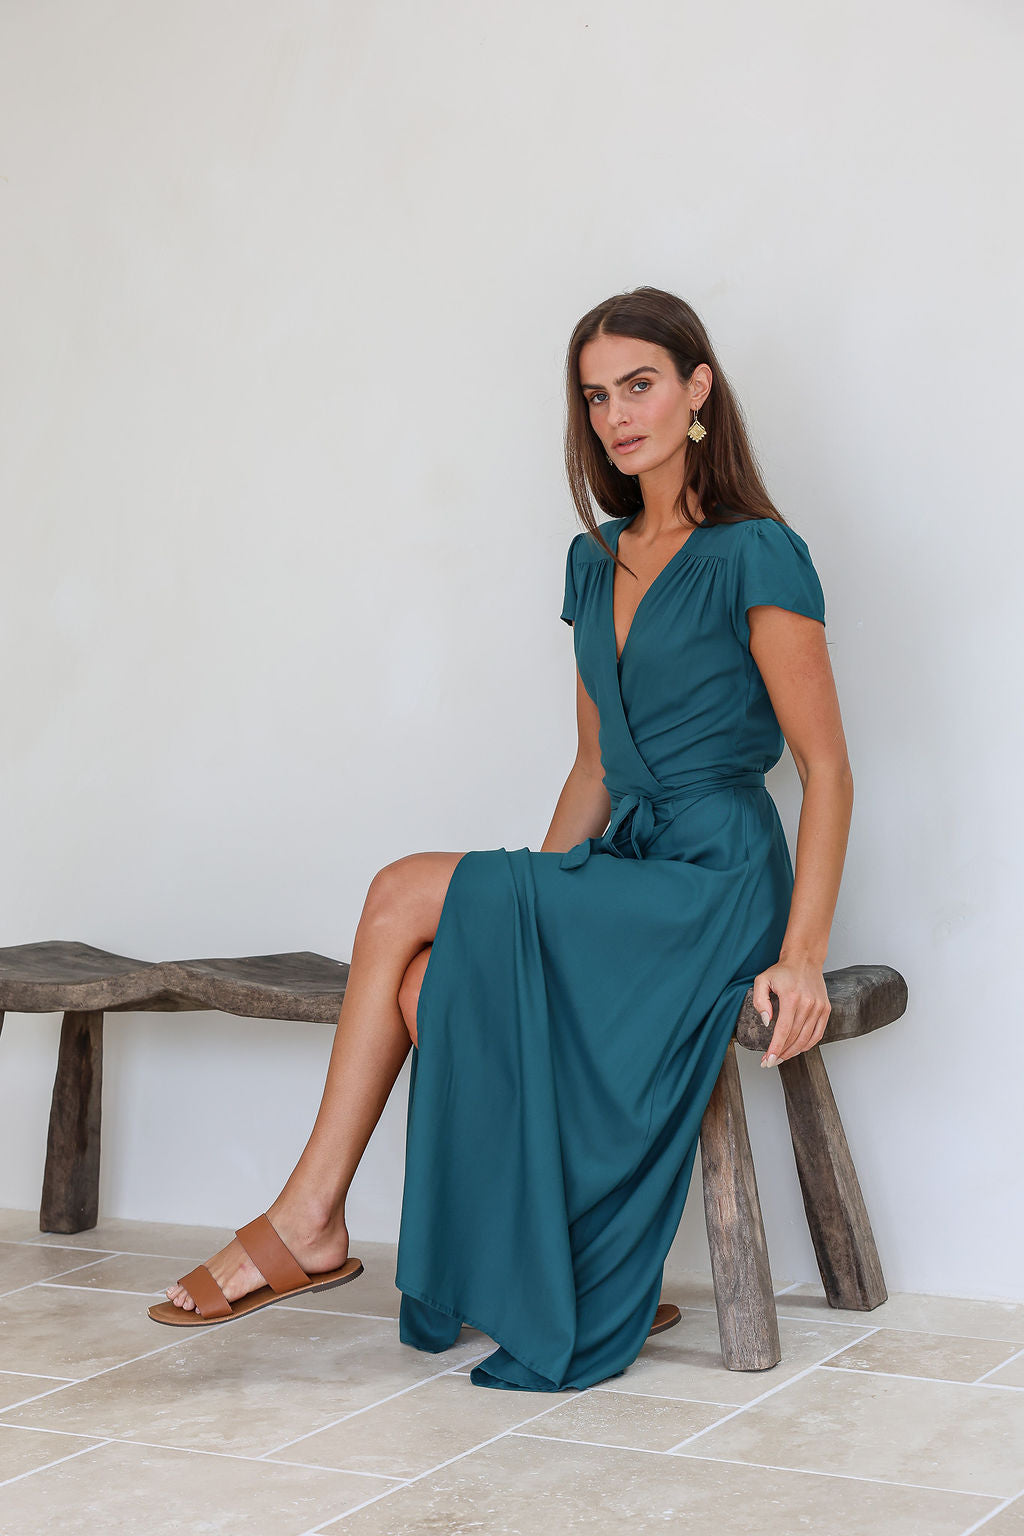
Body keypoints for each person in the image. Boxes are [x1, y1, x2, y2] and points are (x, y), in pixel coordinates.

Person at [148, 285, 853, 1396]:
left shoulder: (759, 553)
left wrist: (803, 955)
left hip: (715, 883)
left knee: (400, 890)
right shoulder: (594, 561)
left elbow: (825, 768)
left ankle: (308, 1217)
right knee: (430, 981)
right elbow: (593, 767)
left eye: (639, 385)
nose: (616, 416)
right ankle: (545, 1264)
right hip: (625, 867)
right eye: (596, 397)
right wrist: (526, 914)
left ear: (697, 391)